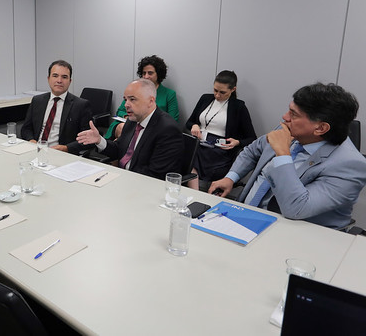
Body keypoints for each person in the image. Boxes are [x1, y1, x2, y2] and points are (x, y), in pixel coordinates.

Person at [208, 83, 366, 229]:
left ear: (321, 128)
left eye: (294, 114)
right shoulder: (288, 129)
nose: (285, 117)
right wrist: (231, 177)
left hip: (294, 236)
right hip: (244, 217)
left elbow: (297, 209)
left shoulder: (350, 165)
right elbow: (252, 151)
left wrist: (282, 154)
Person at [77, 79, 183, 180]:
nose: (126, 105)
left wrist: (120, 177)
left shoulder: (168, 129)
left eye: (132, 99)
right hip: (123, 178)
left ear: (151, 101)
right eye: (125, 99)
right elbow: (119, 149)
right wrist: (99, 140)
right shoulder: (132, 120)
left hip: (143, 186)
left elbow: (155, 175)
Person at [185, 70, 256, 190]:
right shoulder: (205, 99)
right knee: (187, 157)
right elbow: (189, 122)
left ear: (233, 90)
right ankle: (195, 193)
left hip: (219, 150)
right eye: (215, 90)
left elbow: (252, 138)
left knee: (202, 161)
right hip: (198, 143)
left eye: (222, 92)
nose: (217, 95)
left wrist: (237, 142)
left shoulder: (238, 107)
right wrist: (194, 125)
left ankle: (199, 194)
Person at [20, 59, 93, 154]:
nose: (59, 80)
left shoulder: (81, 105)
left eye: (64, 77)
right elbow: (26, 129)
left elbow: (88, 139)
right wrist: (31, 140)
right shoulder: (37, 100)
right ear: (48, 78)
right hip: (35, 150)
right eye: (55, 76)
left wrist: (66, 148)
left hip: (61, 154)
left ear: (70, 81)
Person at [105, 55, 179, 139]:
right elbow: (120, 111)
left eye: (150, 73)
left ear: (158, 74)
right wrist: (128, 117)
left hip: (154, 128)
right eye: (144, 73)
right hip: (130, 123)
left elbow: (173, 119)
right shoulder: (135, 89)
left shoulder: (169, 94)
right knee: (122, 128)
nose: (146, 76)